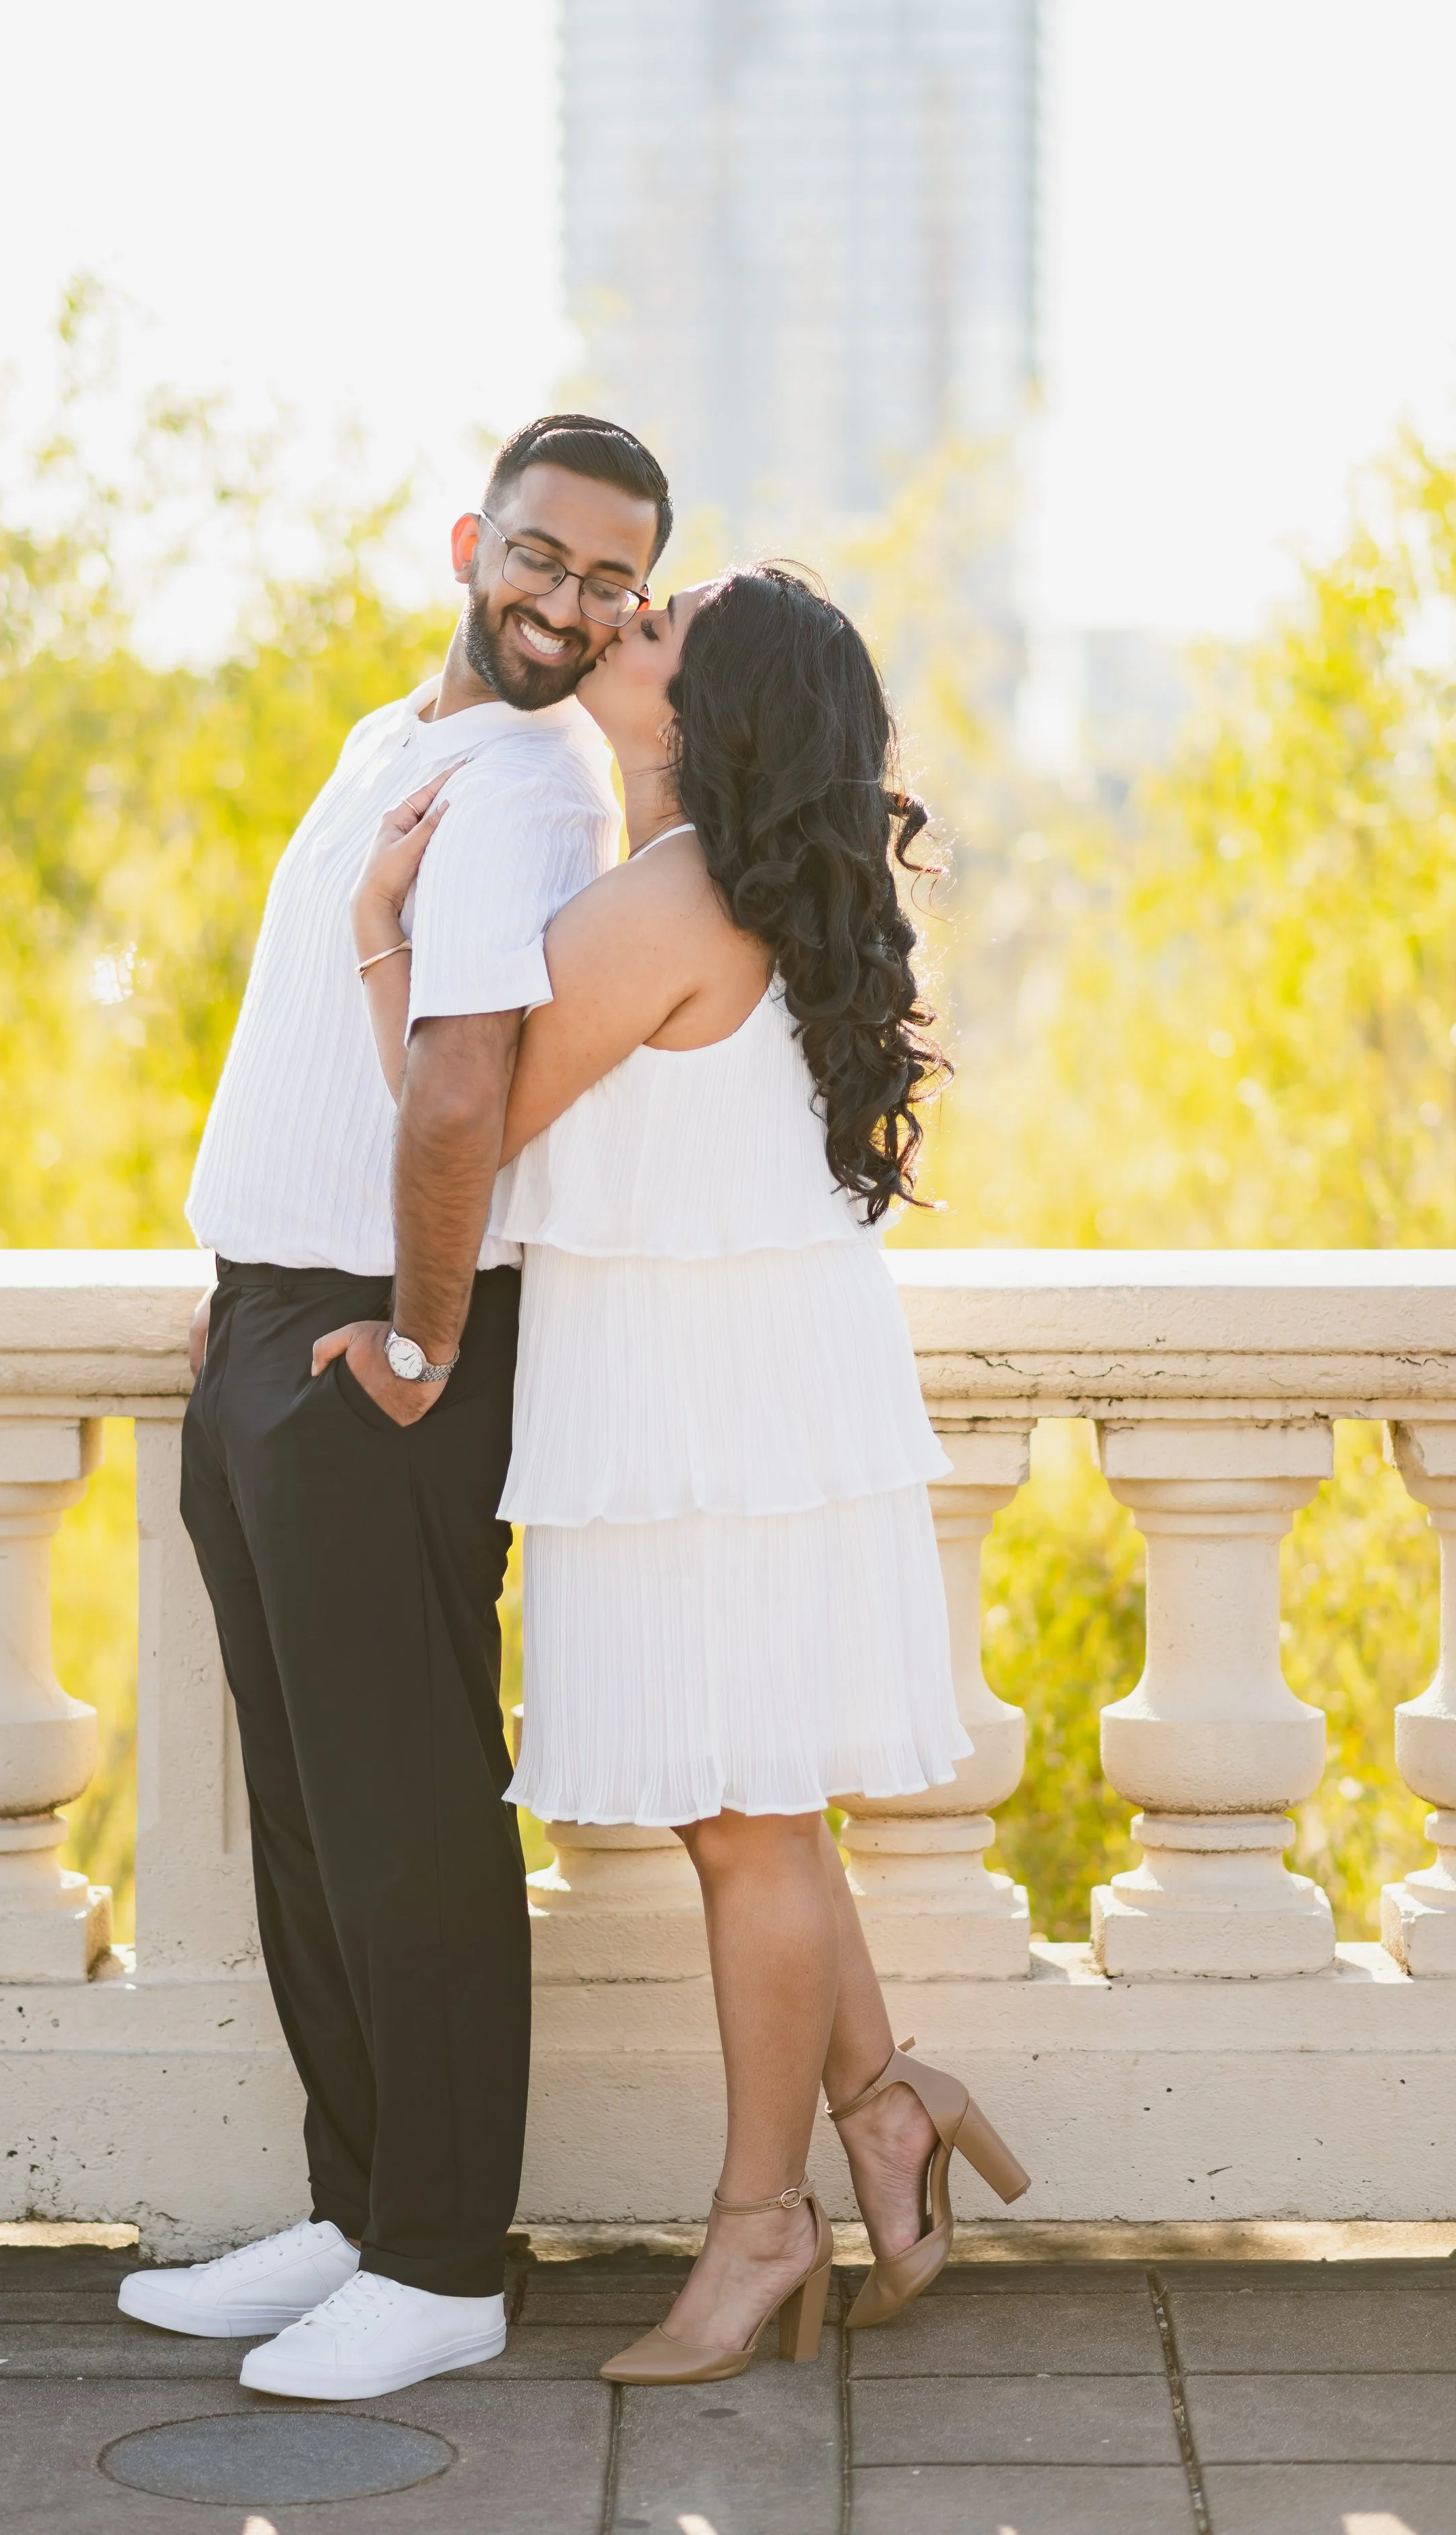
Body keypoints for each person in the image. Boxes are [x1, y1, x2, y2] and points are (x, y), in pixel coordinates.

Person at [337, 564, 1029, 2387]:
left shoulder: (660, 896)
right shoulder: (760, 885)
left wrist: (380, 936)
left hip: (693, 1387)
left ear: (701, 714)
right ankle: (884, 2105)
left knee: (739, 1822)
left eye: (650, 634)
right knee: (759, 1803)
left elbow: (462, 1109)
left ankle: (758, 2224)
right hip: (752, 1368)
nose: (610, 638)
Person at [116, 416, 673, 2403]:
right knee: (311, 1815)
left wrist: (419, 1342)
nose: (567, 603)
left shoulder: (531, 788)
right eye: (542, 557)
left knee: (408, 1815)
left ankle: (439, 2260)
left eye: (611, 582)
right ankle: (358, 2214)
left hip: (381, 1348)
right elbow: (314, 1056)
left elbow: (459, 1089)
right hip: (275, 1325)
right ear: (471, 541)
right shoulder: (396, 741)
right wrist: (241, 1289)